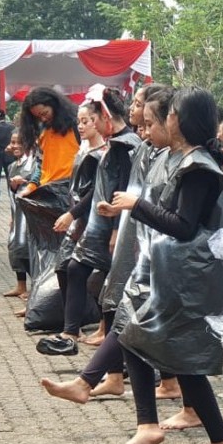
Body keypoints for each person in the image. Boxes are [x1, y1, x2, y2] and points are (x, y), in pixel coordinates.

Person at [108, 86, 223, 444]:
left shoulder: (199, 168)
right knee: (176, 356)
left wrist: (137, 206)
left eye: (169, 114)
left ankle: (150, 426)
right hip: (175, 273)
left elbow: (182, 226)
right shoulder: (183, 159)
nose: (163, 120)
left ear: (181, 119)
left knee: (137, 338)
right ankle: (219, 441)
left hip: (191, 277)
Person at [37, 86, 141, 356]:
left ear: (105, 118)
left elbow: (127, 189)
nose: (88, 126)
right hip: (99, 222)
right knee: (75, 269)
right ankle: (73, 331)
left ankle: (105, 337)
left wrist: (118, 229)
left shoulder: (128, 145)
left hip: (115, 225)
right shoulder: (113, 145)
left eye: (91, 120)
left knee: (109, 282)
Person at [4, 131, 35, 300]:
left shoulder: (34, 165)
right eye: (12, 142)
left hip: (30, 214)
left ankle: (34, 286)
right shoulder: (11, 166)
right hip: (17, 213)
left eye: (18, 142)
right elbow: (12, 195)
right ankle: (20, 284)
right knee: (14, 246)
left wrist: (24, 183)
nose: (15, 146)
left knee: (27, 248)